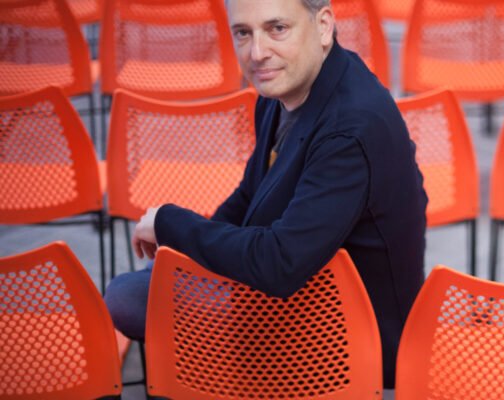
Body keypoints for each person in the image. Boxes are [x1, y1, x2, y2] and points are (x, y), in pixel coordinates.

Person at [104, 0, 427, 388]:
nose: (257, 53)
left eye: (277, 29)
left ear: (324, 26)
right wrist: (186, 254)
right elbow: (249, 194)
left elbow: (280, 263)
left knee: (127, 296)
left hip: (345, 340)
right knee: (157, 274)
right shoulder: (288, 88)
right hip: (302, 297)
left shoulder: (350, 128)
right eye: (243, 33)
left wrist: (169, 223)